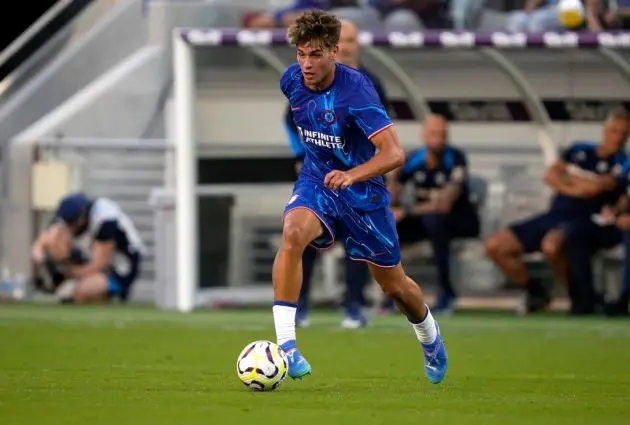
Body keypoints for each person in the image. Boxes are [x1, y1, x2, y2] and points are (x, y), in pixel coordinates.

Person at [274, 10, 447, 384]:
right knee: (292, 234)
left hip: (363, 193)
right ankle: (287, 346)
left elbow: (394, 154)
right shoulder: (290, 82)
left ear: (335, 52)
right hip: (318, 181)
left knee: (394, 286)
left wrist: (351, 174)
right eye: (301, 54)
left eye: (316, 54)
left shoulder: (358, 92)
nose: (306, 63)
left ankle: (429, 336)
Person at [285, 19, 388, 329]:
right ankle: (298, 306)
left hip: (357, 180)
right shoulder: (307, 77)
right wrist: (300, 155)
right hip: (319, 177)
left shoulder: (369, 83)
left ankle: (353, 307)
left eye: (352, 40)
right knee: (301, 236)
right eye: (343, 39)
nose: (346, 46)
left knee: (358, 248)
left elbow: (384, 137)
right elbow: (291, 117)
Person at [485, 111, 628, 314]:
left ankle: (579, 295)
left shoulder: (622, 163)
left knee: (551, 246)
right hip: (552, 215)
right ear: (605, 131)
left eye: (623, 133)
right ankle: (535, 291)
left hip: (583, 220)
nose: (617, 137)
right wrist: (578, 185)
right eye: (614, 131)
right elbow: (551, 176)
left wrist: (568, 180)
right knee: (495, 245)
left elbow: (594, 189)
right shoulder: (580, 150)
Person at [389, 114, 480, 315]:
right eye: (433, 133)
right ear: (424, 135)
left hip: (459, 220)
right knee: (388, 228)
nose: (438, 138)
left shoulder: (455, 158)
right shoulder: (414, 158)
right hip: (425, 220)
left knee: (436, 222)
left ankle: (446, 294)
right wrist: (391, 204)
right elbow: (394, 185)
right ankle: (395, 293)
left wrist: (406, 211)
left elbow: (444, 204)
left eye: (442, 134)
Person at [31, 192, 145, 303]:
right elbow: (41, 243)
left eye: (70, 223)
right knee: (57, 236)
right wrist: (42, 260)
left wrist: (68, 272)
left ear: (80, 219)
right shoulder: (68, 220)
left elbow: (101, 263)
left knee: (81, 292)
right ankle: (62, 283)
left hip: (120, 265)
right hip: (89, 255)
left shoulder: (105, 221)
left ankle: (113, 292)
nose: (67, 226)